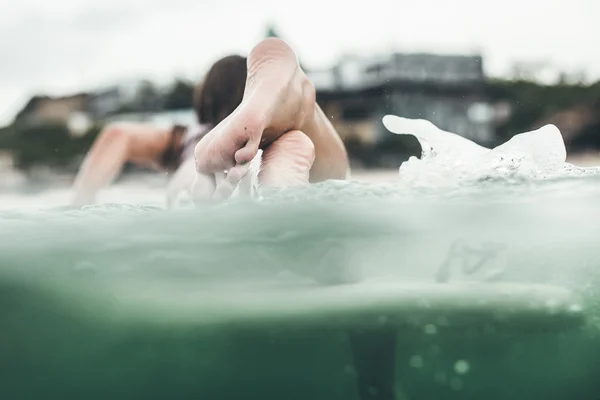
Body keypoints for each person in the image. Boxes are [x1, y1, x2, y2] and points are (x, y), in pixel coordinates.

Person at [71, 55, 249, 206]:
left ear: (205, 95)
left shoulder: (187, 137)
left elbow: (118, 134)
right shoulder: (264, 139)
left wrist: (80, 203)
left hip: (186, 191)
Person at [191, 37, 350, 202]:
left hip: (232, 182)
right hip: (328, 181)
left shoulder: (196, 144)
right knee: (335, 180)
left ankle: (270, 183)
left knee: (206, 184)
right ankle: (303, 109)